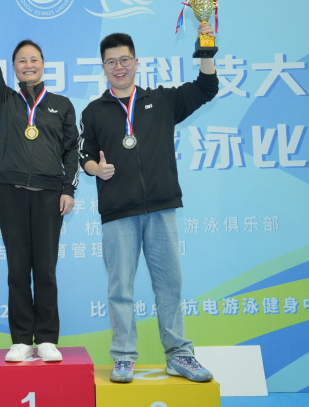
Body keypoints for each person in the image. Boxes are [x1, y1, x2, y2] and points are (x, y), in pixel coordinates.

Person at [78, 23, 218, 383]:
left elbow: (207, 87)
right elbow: (84, 155)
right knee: (120, 289)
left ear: (136, 62)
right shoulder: (93, 111)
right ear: (103, 67)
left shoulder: (163, 101)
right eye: (112, 62)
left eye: (125, 59)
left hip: (161, 207)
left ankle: (179, 354)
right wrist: (97, 169)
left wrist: (205, 47)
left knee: (169, 284)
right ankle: (124, 357)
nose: (119, 67)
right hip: (118, 212)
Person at [0, 12, 79, 363]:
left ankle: (46, 338)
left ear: (43, 65)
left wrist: (68, 189)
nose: (28, 65)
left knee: (45, 269)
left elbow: (72, 150)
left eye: (34, 59)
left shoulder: (61, 105)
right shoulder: (5, 99)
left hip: (49, 195)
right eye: (21, 60)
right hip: (11, 193)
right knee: (18, 269)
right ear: (14, 68)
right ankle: (20, 339)